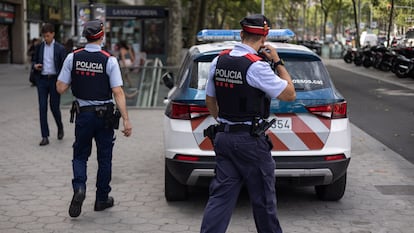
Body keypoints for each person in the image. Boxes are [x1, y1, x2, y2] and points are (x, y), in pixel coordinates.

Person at [200, 14, 296, 233]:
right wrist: (278, 62)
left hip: (224, 138)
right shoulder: (257, 67)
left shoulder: (219, 60)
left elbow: (210, 100)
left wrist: (226, 122)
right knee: (264, 201)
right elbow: (289, 94)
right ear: (264, 38)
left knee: (220, 199)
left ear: (241, 34)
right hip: (250, 143)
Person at [56, 19, 132, 218]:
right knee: (104, 158)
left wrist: (76, 78)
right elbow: (118, 92)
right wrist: (126, 120)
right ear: (101, 35)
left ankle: (80, 187)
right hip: (105, 116)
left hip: (84, 115)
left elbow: (60, 88)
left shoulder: (73, 58)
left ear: (86, 36)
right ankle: (101, 199)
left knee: (80, 155)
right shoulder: (110, 60)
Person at [32, 23, 67, 146]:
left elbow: (65, 67)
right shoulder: (39, 47)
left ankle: (60, 126)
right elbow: (34, 61)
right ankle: (45, 136)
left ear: (53, 34)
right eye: (44, 36)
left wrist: (64, 83)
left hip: (54, 81)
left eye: (47, 36)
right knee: (42, 107)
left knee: (54, 107)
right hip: (42, 80)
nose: (45, 38)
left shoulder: (60, 48)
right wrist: (35, 66)